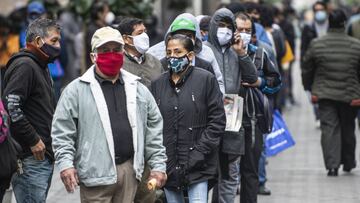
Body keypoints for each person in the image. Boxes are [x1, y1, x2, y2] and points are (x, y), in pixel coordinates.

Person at [51, 26, 167, 202]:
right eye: (105, 50)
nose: (111, 55)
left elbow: (154, 130)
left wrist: (158, 165)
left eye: (116, 50)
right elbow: (62, 132)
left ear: (123, 52)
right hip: (95, 174)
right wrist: (66, 164)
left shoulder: (138, 89)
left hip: (131, 169)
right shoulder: (75, 91)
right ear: (93, 56)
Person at [151, 33, 226, 203]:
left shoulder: (206, 79)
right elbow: (152, 123)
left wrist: (200, 152)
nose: (172, 57)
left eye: (178, 52)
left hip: (199, 163)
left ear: (190, 55)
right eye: (168, 53)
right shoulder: (157, 84)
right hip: (169, 163)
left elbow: (217, 121)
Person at [2, 18, 61, 203]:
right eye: (54, 41)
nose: (58, 46)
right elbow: (11, 106)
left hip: (41, 158)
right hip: (30, 159)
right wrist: (33, 139)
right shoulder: (25, 66)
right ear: (37, 41)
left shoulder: (40, 65)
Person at [206, 8, 260, 203]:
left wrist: (241, 53)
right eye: (221, 26)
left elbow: (252, 78)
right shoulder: (203, 51)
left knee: (230, 172)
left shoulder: (236, 51)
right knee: (206, 173)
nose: (225, 31)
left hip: (232, 114)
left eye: (229, 27)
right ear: (213, 27)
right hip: (207, 116)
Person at [302, 9, 360, 177]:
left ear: (329, 23)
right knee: (348, 128)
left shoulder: (317, 44)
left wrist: (309, 87)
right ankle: (348, 163)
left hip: (324, 94)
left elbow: (307, 68)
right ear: (344, 23)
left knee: (329, 129)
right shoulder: (356, 46)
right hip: (350, 95)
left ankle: (332, 166)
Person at [117, 17, 163, 203]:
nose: (145, 36)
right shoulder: (117, 63)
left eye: (145, 31)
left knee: (150, 191)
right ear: (127, 39)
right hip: (127, 133)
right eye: (139, 33)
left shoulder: (155, 62)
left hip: (152, 130)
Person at [235, 13, 281, 202]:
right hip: (226, 120)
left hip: (252, 119)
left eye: (248, 31)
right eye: (240, 30)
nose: (244, 34)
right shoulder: (220, 55)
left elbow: (276, 81)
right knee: (224, 173)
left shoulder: (260, 53)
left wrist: (260, 82)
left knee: (250, 170)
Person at [147, 13, 225, 94]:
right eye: (179, 35)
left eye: (189, 36)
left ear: (195, 38)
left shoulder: (206, 58)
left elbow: (217, 86)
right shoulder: (157, 58)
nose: (184, 40)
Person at [85, 0, 110, 69]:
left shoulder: (106, 26)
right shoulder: (92, 30)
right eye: (106, 12)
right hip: (96, 67)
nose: (108, 14)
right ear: (99, 14)